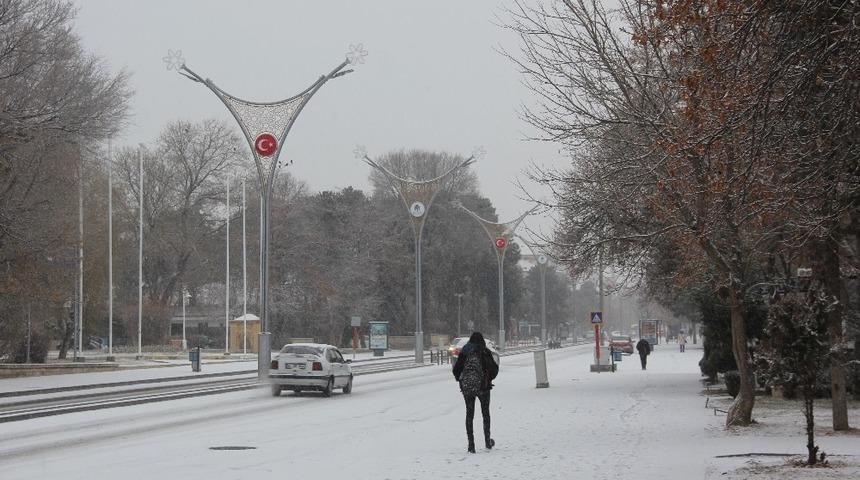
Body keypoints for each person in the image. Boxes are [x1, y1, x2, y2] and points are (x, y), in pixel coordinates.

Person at [452, 331, 499, 453]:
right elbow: (494, 369)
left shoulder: (465, 351)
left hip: (468, 387)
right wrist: (487, 379)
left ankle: (471, 445)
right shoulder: (484, 351)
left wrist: (462, 380)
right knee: (485, 414)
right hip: (483, 387)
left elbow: (456, 369)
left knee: (469, 415)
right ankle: (487, 441)